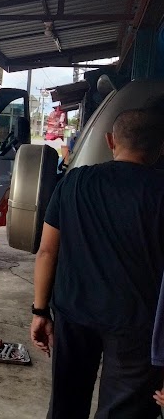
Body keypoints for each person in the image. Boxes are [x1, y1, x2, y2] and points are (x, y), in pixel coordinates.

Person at [31, 108, 164, 418]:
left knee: (66, 404)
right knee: (124, 411)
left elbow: (47, 252)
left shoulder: (75, 182)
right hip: (136, 327)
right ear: (161, 148)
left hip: (74, 315)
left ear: (109, 141)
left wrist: (40, 310)